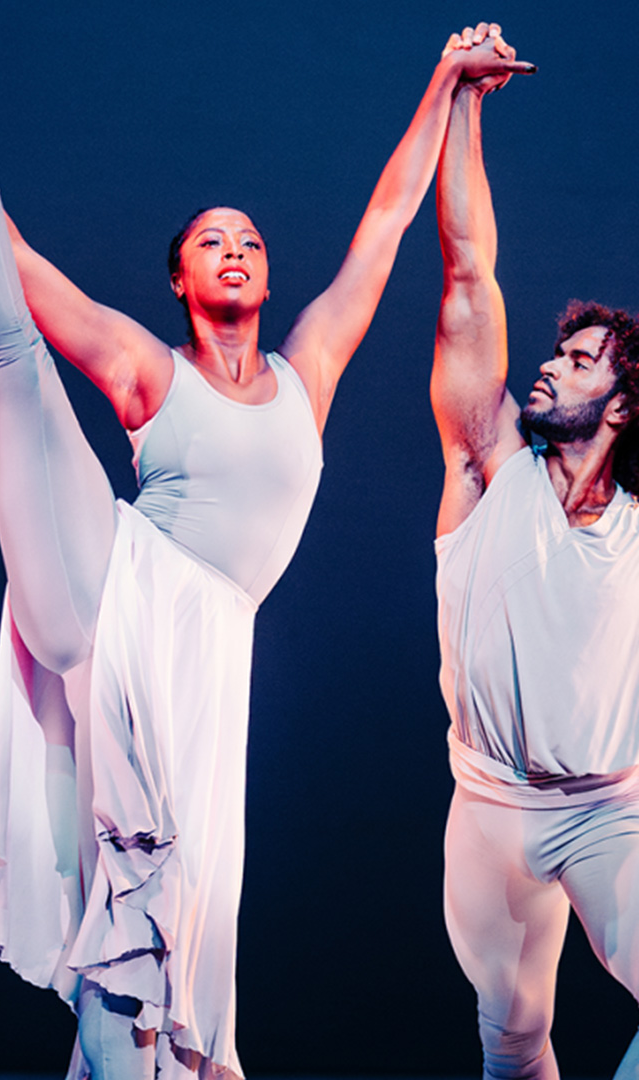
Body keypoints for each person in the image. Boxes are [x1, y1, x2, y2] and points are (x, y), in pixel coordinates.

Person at [0, 6, 531, 1079]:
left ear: (265, 277)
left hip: (210, 656)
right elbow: (13, 263)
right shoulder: (146, 367)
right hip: (115, 584)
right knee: (17, 375)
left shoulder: (306, 373)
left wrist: (449, 84)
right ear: (180, 277)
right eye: (212, 240)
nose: (236, 250)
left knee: (157, 938)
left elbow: (390, 222)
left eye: (251, 241)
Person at [433, 24, 639, 1080]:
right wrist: (466, 104)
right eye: (553, 355)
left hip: (616, 808)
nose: (549, 370)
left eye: (578, 361)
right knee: (513, 1039)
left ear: (627, 401)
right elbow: (470, 273)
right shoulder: (485, 460)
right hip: (492, 808)